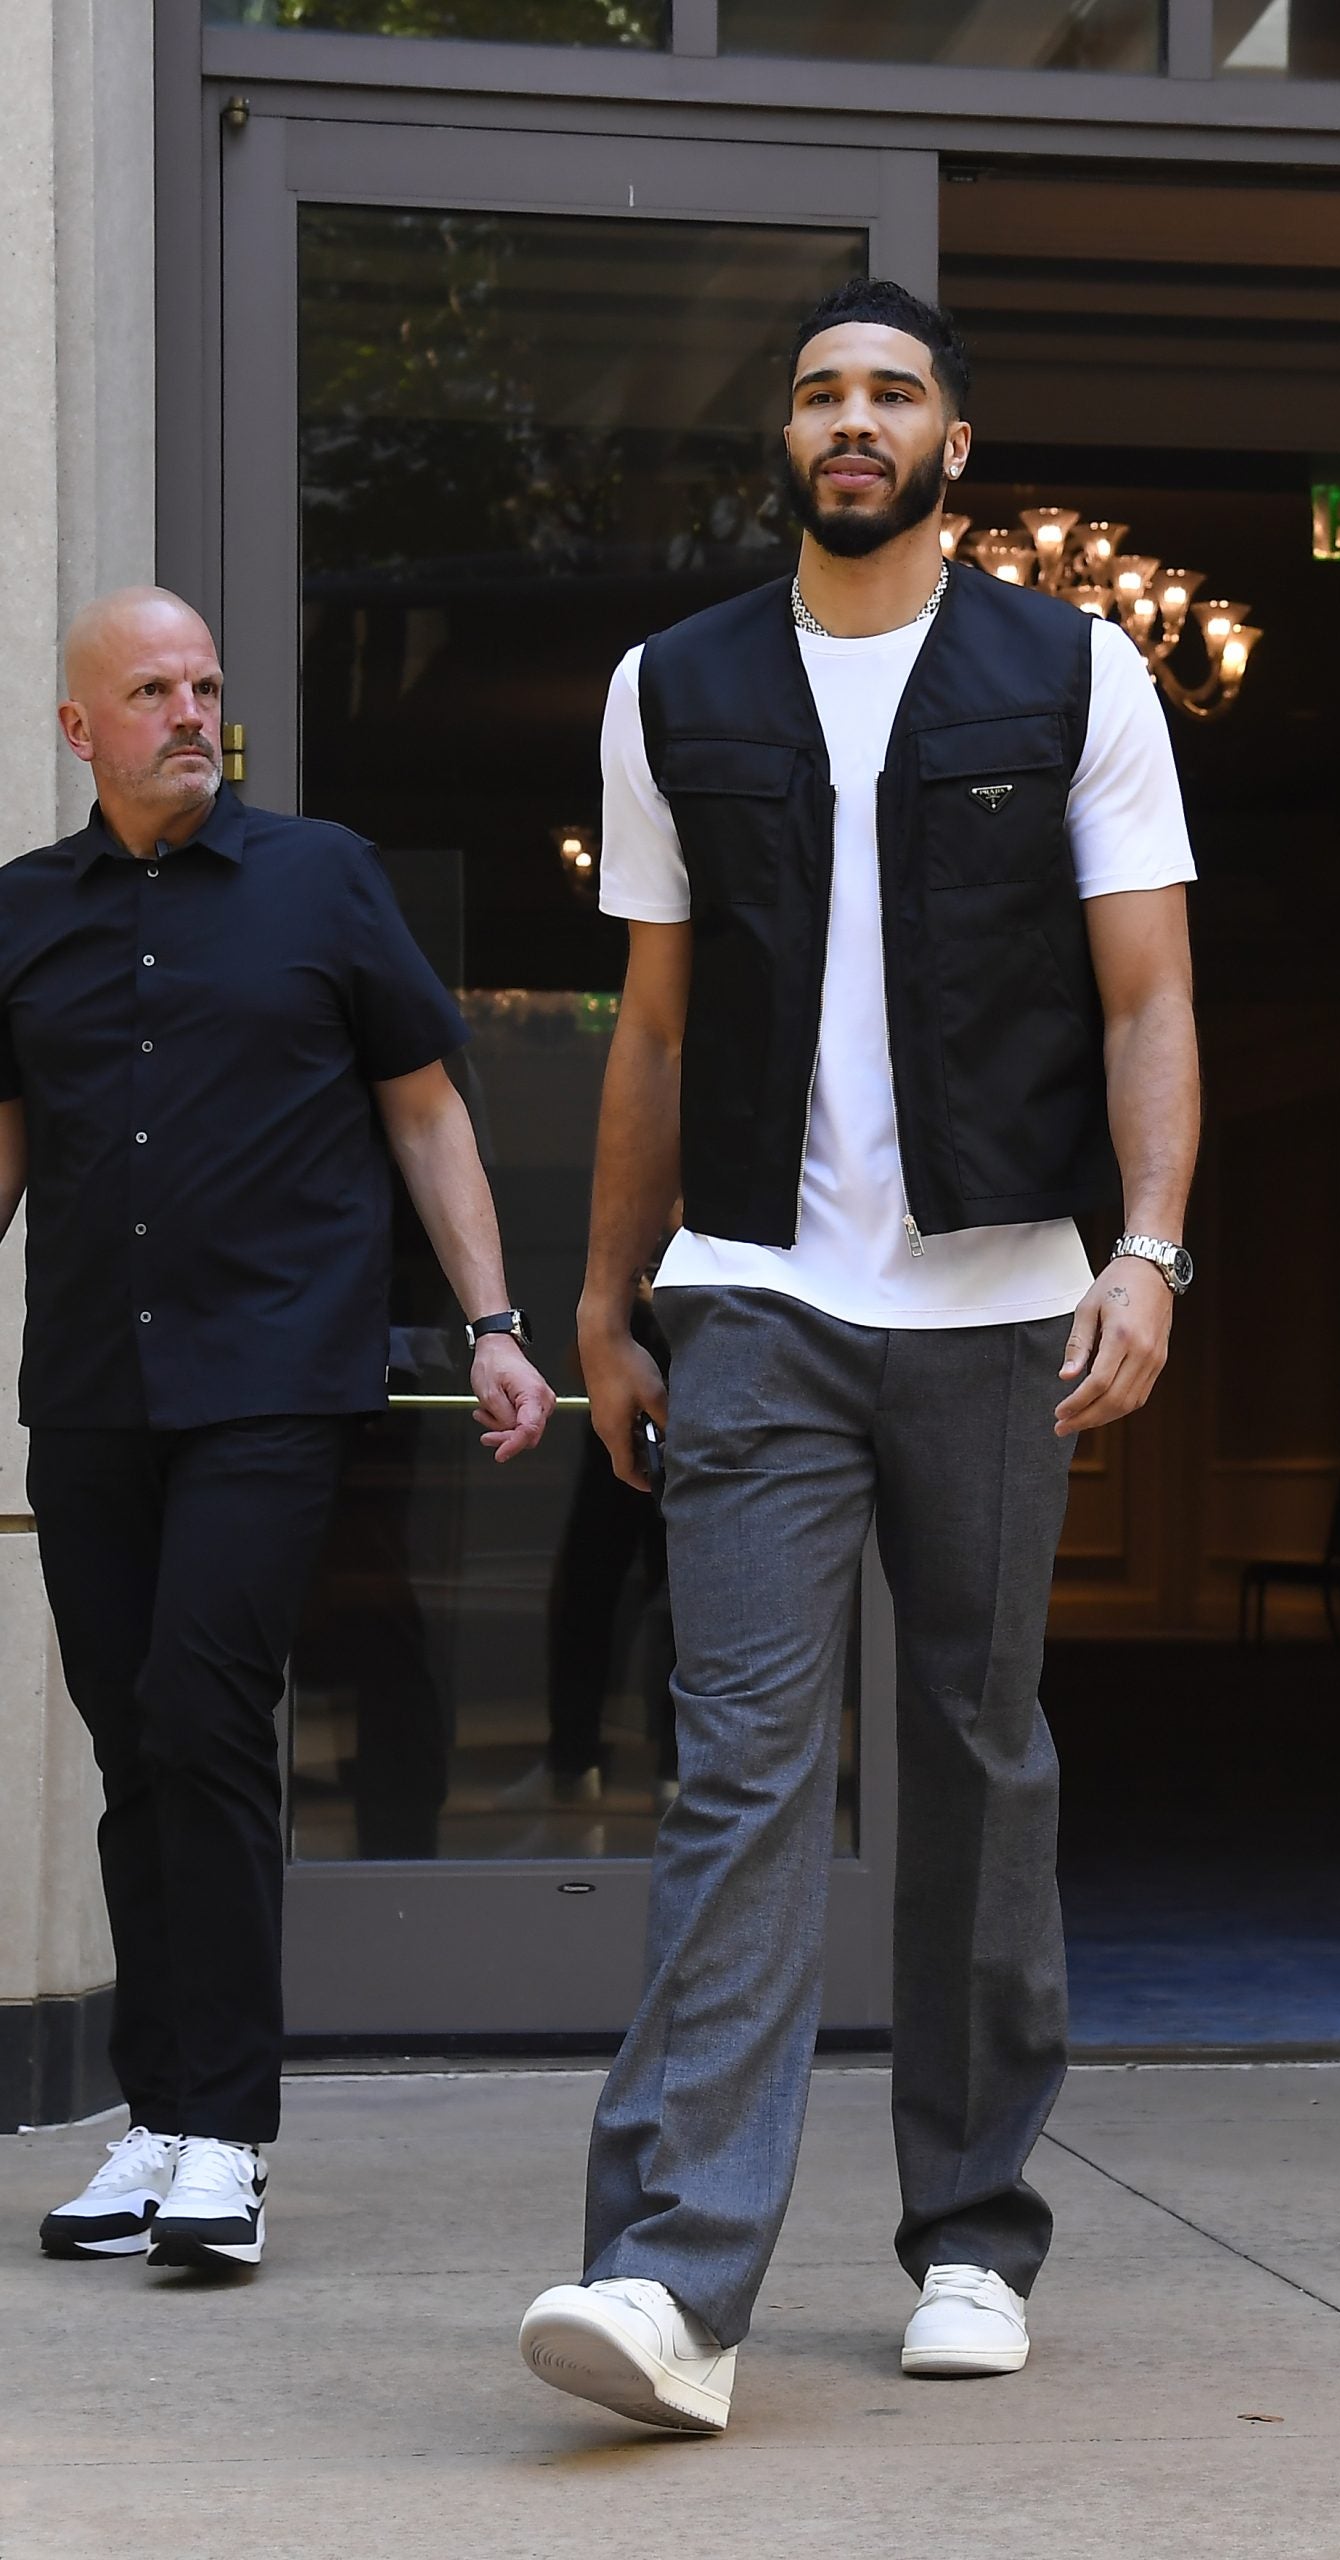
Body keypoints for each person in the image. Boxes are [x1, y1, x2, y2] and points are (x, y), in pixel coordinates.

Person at [517, 278, 1198, 2433]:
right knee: (739, 1772)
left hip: (997, 1301)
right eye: (819, 391)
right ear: (786, 439)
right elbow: (650, 1023)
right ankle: (670, 2281)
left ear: (952, 445)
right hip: (757, 1300)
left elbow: (1147, 997)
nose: (851, 418)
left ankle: (973, 2231)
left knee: (982, 1768)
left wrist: (1154, 1248)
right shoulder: (674, 687)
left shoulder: (1072, 669)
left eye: (891, 391)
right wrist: (609, 1299)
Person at [11, 586, 555, 2272]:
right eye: (151, 690)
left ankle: (228, 2137)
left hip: (268, 1384)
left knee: (202, 1712)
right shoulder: (21, 915)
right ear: (78, 729)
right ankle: (158, 2121)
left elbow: (424, 1107)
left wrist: (492, 1326)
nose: (187, 710)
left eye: (205, 684)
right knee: (130, 1749)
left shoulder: (321, 878)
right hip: (94, 1391)